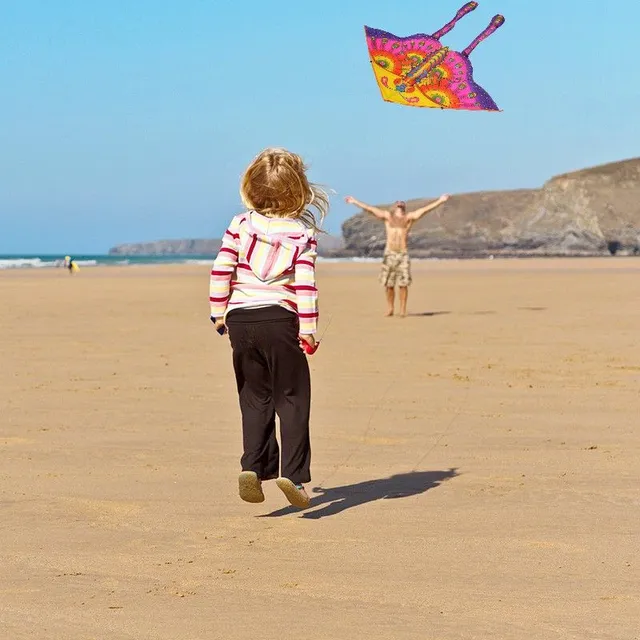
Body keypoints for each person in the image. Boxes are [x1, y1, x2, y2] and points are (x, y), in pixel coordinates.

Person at [209, 148, 329, 509]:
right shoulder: (301, 234)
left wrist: (219, 312)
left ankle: (253, 466)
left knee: (254, 397)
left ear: (250, 188)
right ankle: (291, 475)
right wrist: (308, 329)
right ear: (299, 191)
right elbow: (305, 285)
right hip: (280, 320)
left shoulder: (239, 225)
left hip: (241, 320)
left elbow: (221, 268)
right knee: (292, 398)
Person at [344, 194, 449, 316]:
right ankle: (390, 308)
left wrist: (440, 201)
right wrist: (355, 201)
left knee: (403, 284)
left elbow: (425, 210)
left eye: (401, 202)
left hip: (402, 254)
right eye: (397, 202)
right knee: (389, 284)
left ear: (404, 207)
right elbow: (370, 209)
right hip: (389, 254)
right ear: (394, 207)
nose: (399, 203)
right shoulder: (388, 217)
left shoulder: (409, 218)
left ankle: (403, 309)